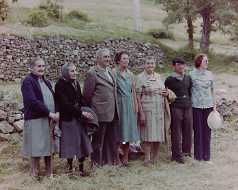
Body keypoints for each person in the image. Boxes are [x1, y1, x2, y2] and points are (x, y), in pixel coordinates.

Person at [21, 57, 59, 177]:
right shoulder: (28, 81)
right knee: (36, 146)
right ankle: (34, 173)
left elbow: (54, 98)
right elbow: (32, 101)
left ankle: (49, 173)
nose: (42, 68)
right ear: (31, 68)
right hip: (35, 119)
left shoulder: (46, 82)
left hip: (49, 119)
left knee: (49, 146)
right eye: (39, 66)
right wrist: (49, 113)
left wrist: (56, 112)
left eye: (43, 66)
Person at [55, 63, 93, 176]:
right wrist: (81, 112)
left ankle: (81, 168)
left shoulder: (76, 83)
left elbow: (80, 98)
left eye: (75, 70)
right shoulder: (60, 85)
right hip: (68, 118)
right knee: (70, 144)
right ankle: (70, 168)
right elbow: (64, 104)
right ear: (65, 72)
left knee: (82, 143)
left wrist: (87, 108)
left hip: (79, 118)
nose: (75, 73)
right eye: (72, 71)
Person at [136, 56, 175, 166]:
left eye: (152, 63)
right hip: (147, 108)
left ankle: (155, 158)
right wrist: (141, 113)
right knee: (147, 134)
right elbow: (137, 96)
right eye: (148, 63)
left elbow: (163, 89)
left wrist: (166, 93)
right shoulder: (140, 77)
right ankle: (147, 158)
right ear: (144, 64)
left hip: (159, 109)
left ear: (155, 65)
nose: (150, 65)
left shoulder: (158, 76)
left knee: (158, 134)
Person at [83, 48, 119, 166]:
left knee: (110, 140)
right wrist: (92, 112)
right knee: (98, 141)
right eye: (105, 57)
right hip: (100, 113)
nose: (108, 59)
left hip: (112, 112)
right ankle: (96, 164)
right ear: (97, 59)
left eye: (109, 57)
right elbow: (87, 95)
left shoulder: (111, 72)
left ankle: (108, 162)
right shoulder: (92, 73)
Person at [113, 51, 139, 166]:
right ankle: (116, 158)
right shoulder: (113, 73)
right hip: (119, 105)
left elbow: (133, 92)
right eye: (124, 58)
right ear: (118, 60)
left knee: (128, 133)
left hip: (129, 105)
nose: (126, 61)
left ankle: (126, 158)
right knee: (119, 132)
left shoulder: (131, 74)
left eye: (127, 59)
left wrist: (136, 106)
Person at [164, 58, 193, 164]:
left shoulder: (188, 78)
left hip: (188, 107)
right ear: (174, 66)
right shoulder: (169, 80)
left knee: (188, 130)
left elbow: (190, 92)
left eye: (183, 64)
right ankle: (176, 155)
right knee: (176, 131)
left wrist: (189, 103)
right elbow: (166, 94)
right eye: (178, 64)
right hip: (175, 107)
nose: (181, 66)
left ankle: (187, 152)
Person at [190, 54, 216, 161]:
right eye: (205, 61)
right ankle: (198, 156)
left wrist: (215, 105)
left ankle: (207, 156)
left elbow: (213, 90)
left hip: (208, 106)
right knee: (198, 131)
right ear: (199, 62)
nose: (207, 63)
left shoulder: (210, 74)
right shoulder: (191, 74)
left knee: (207, 132)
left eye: (207, 61)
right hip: (196, 106)